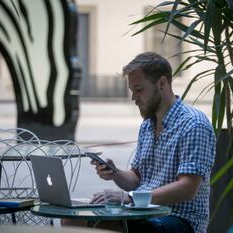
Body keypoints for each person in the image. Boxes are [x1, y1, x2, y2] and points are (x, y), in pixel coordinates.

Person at [91, 52, 216, 233]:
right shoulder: (148, 125)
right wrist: (115, 173)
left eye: (139, 89)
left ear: (162, 84)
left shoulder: (194, 124)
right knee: (72, 222)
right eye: (132, 91)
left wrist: (129, 199)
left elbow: (188, 187)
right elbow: (137, 179)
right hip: (142, 214)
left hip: (178, 220)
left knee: (103, 226)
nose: (134, 97)